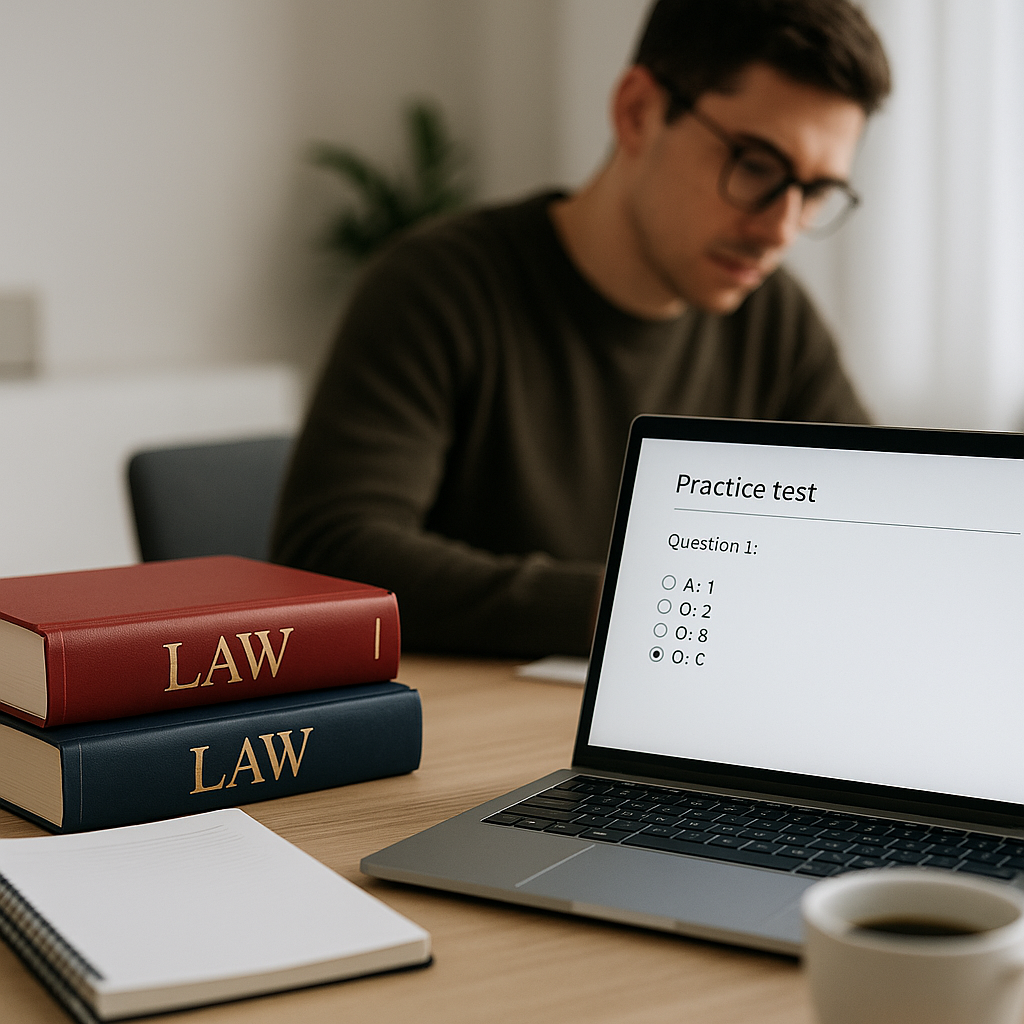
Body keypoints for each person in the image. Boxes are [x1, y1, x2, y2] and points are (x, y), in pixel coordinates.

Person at [272, 0, 891, 658]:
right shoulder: (439, 287)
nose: (781, 229)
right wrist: (649, 605)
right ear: (637, 112)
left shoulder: (775, 317)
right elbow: (334, 556)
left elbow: (876, 528)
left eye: (817, 190)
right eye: (757, 166)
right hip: (483, 741)